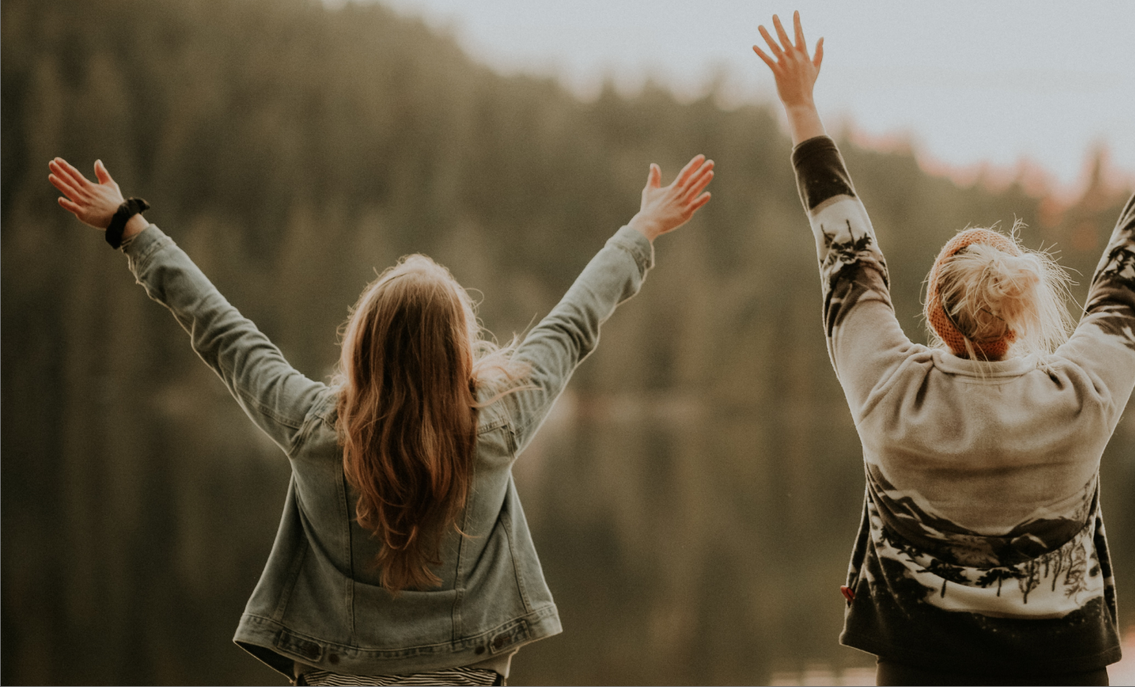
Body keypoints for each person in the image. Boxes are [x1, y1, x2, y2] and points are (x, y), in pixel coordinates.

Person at [46, 153, 714, 685]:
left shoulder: (313, 425)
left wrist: (130, 228)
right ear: (458, 348)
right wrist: (641, 229)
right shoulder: (494, 427)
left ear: (361, 343)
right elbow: (572, 323)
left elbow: (222, 331)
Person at [754, 12, 1135, 686]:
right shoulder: (1080, 397)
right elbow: (1129, 270)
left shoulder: (888, 393)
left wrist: (799, 105)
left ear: (935, 315)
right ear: (1020, 314)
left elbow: (846, 254)